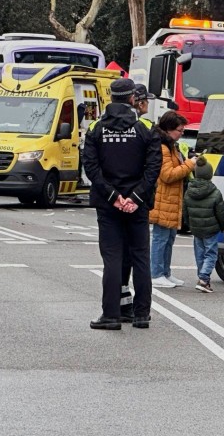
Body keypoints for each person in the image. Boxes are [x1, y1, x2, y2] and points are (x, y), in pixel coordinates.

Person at [83, 78, 162, 330]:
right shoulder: (146, 127)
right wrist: (135, 197)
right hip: (137, 205)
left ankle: (111, 315)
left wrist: (113, 196)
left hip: (108, 206)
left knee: (112, 259)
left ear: (110, 97)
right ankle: (141, 315)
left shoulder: (96, 128)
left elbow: (92, 169)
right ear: (132, 99)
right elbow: (153, 168)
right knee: (140, 258)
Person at [149, 111, 196, 288]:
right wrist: (190, 164)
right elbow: (167, 175)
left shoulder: (171, 145)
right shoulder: (163, 147)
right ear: (169, 130)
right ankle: (156, 274)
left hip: (171, 198)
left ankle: (165, 273)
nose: (182, 132)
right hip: (163, 198)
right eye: (179, 129)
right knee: (161, 238)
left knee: (169, 238)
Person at [182, 156, 224, 293]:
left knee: (200, 254)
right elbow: (221, 212)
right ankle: (203, 278)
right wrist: (222, 226)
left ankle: (203, 280)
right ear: (209, 174)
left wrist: (189, 224)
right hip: (211, 229)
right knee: (211, 254)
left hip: (196, 229)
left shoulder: (188, 192)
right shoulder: (215, 192)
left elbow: (185, 212)